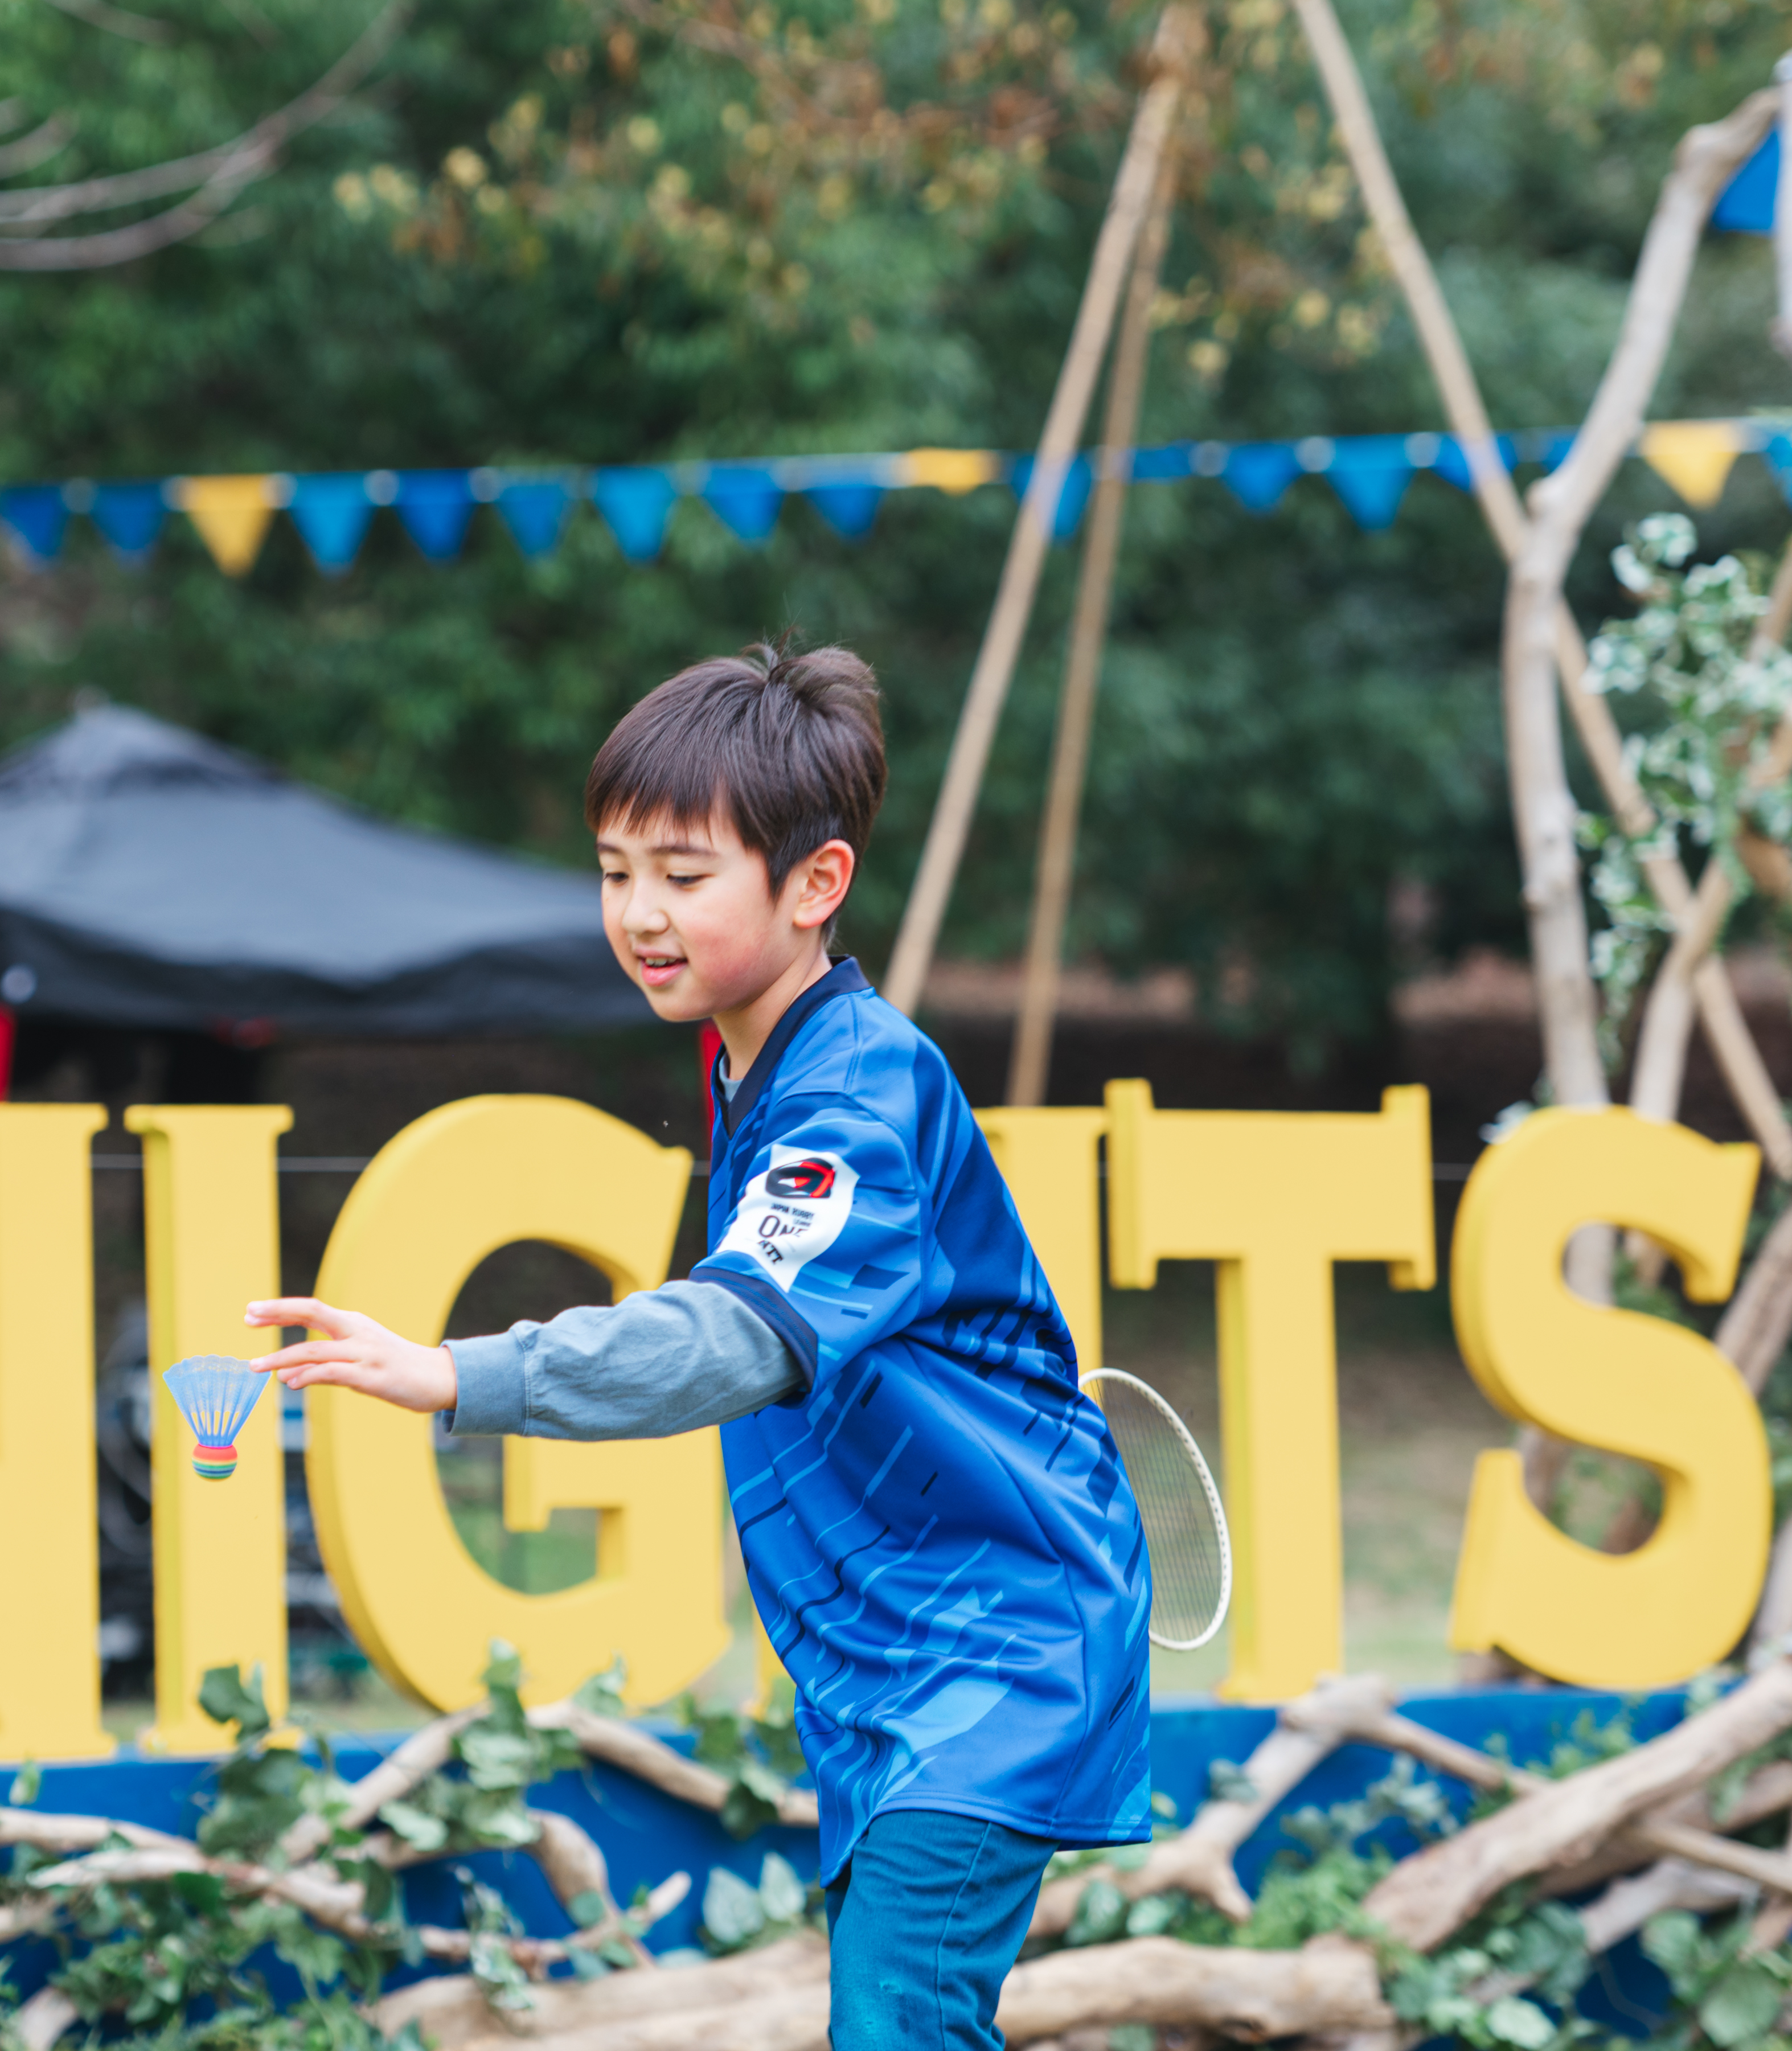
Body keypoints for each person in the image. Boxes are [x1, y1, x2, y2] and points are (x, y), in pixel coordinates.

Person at [245, 640, 1152, 2051]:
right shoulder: (752, 1057)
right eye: (615, 872)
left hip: (998, 1647)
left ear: (814, 886)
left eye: (682, 874)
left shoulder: (853, 1093)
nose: (639, 913)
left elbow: (732, 1336)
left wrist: (460, 1373)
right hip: (888, 1660)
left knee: (898, 2025)